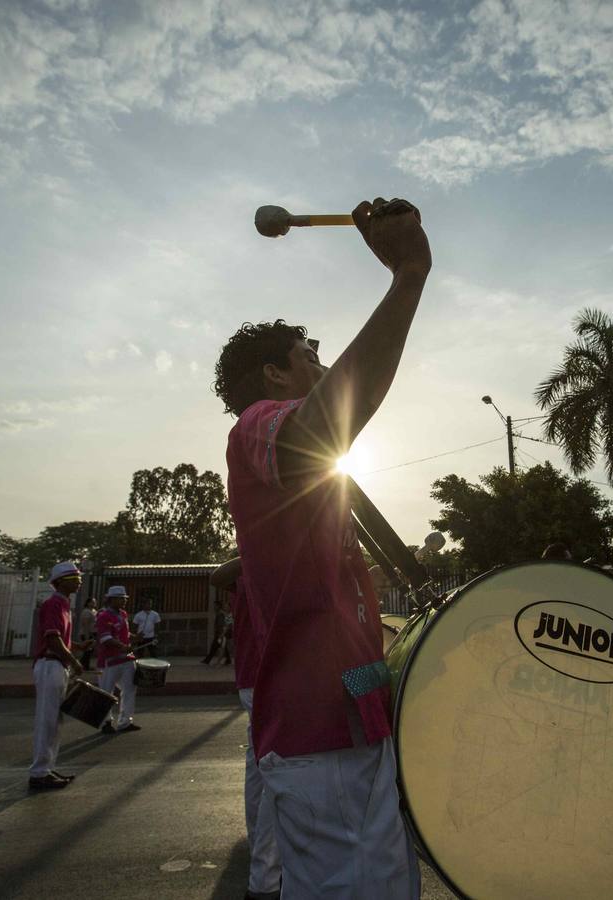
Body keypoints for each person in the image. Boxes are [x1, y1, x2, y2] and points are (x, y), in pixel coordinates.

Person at [214, 196, 429, 899]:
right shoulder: (259, 426)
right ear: (275, 377)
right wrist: (408, 275)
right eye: (310, 354)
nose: (320, 361)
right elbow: (320, 431)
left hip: (349, 732)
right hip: (318, 743)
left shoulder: (305, 472)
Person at [211, 557, 283, 900]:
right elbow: (217, 575)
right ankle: (267, 880)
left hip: (260, 681)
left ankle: (261, 857)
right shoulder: (250, 572)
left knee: (259, 768)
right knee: (279, 772)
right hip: (266, 681)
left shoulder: (274, 572)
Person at [29, 561, 91, 790]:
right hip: (50, 664)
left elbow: (60, 639)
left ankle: (46, 768)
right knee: (47, 720)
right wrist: (74, 661)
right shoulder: (54, 604)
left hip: (56, 664)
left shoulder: (63, 605)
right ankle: (38, 772)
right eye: (74, 577)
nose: (79, 580)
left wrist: (78, 647)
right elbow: (52, 640)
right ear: (61, 582)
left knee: (54, 720)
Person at [96, 585, 140, 734]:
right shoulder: (103, 616)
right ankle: (106, 722)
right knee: (106, 693)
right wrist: (122, 646)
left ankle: (125, 722)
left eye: (124, 598)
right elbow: (106, 639)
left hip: (126, 658)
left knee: (130, 689)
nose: (124, 601)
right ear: (111, 600)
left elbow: (124, 634)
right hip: (109, 660)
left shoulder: (123, 614)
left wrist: (135, 638)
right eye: (121, 598)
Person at [78, 598, 98, 670]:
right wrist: (87, 636)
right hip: (87, 633)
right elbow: (86, 624)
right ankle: (82, 665)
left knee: (90, 650)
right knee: (87, 650)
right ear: (88, 603)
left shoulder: (94, 611)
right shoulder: (86, 612)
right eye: (92, 602)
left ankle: (84, 665)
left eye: (94, 602)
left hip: (93, 633)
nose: (94, 604)